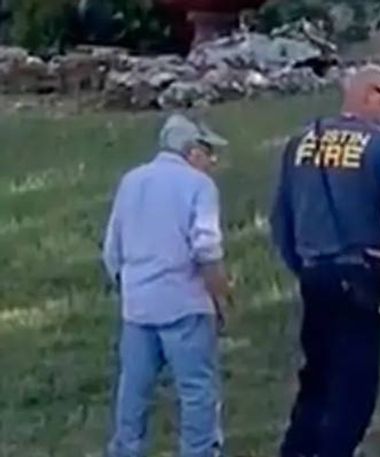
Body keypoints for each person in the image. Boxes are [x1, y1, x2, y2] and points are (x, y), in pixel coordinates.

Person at [269, 64, 380, 457]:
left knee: (317, 383)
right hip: (360, 276)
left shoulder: (301, 141)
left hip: (314, 277)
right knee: (353, 395)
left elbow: (279, 219)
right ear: (368, 94)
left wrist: (303, 265)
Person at [102, 113, 233, 457]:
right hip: (185, 304)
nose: (212, 160)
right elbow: (206, 248)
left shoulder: (131, 181)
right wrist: (220, 299)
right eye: (208, 151)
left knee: (133, 392)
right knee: (197, 392)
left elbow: (111, 250)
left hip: (138, 307)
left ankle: (125, 450)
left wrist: (129, 287)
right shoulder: (199, 186)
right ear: (191, 151)